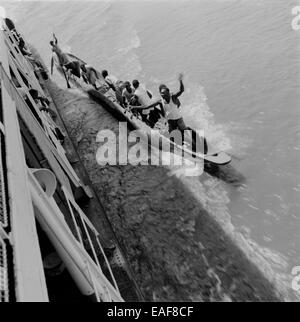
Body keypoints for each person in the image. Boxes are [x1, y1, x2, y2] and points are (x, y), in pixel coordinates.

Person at [144, 73, 208, 153]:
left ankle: (197, 147)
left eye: (164, 93)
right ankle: (180, 148)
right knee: (173, 136)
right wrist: (139, 107)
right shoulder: (161, 101)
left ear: (168, 92)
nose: (163, 95)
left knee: (185, 132)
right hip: (171, 121)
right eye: (161, 93)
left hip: (178, 119)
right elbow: (152, 106)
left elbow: (181, 91)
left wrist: (180, 81)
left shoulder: (173, 96)